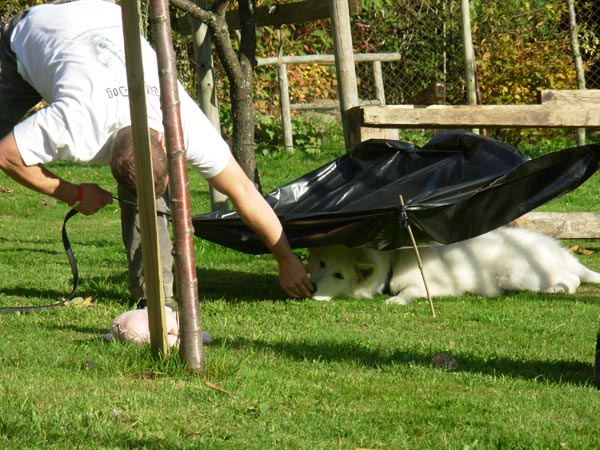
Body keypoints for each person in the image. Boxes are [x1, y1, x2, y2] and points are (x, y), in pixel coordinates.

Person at [0, 0, 313, 304]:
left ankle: (155, 298)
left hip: (103, 15)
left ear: (166, 144)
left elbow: (242, 189)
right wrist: (74, 193)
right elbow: (7, 154)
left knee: (143, 180)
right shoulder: (79, 122)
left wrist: (285, 258)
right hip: (26, 37)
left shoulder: (180, 119)